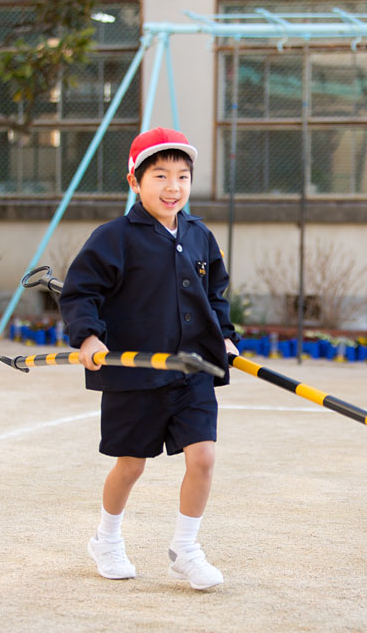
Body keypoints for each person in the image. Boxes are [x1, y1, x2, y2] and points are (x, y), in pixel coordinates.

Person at [59, 127, 239, 590]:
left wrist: (224, 337)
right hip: (134, 373)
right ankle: (106, 539)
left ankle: (186, 549)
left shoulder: (199, 235)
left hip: (193, 370)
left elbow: (215, 295)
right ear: (134, 182)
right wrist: (88, 337)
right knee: (131, 465)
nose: (172, 187)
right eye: (160, 176)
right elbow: (81, 292)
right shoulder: (114, 237)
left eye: (182, 176)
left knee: (203, 457)